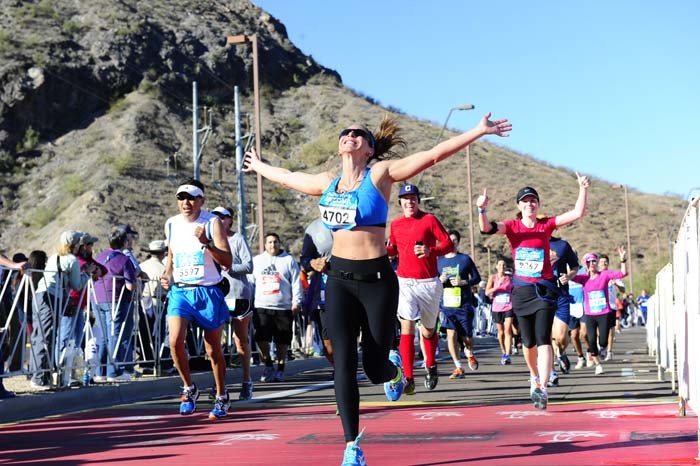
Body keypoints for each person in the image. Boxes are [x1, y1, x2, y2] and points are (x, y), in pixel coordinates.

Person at [244, 111, 511, 465]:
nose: (350, 136)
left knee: (374, 368)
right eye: (345, 132)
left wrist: (477, 131)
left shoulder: (380, 175)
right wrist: (259, 166)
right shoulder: (327, 182)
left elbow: (432, 155)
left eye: (359, 134)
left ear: (369, 149)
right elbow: (290, 177)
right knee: (343, 364)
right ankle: (351, 446)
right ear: (340, 145)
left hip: (378, 282)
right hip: (339, 282)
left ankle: (394, 370)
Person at [477, 174, 589, 410]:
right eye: (525, 201)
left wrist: (582, 188)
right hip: (521, 291)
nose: (530, 204)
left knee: (543, 338)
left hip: (544, 289)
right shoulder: (512, 226)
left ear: (538, 204)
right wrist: (482, 210)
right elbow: (486, 228)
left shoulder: (545, 225)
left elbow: (577, 213)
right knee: (528, 343)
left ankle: (543, 387)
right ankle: (534, 376)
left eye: (533, 200)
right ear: (519, 205)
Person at [159, 179, 232, 419]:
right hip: (181, 291)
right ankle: (188, 388)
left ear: (201, 200)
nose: (186, 203)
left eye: (191, 198)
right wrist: (167, 274)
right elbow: (172, 254)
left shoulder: (212, 223)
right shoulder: (171, 224)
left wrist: (206, 244)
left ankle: (221, 395)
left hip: (207, 291)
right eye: (181, 198)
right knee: (174, 341)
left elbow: (227, 261)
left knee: (213, 349)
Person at [386, 183, 453, 393]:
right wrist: (379, 248)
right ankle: (408, 377)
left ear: (418, 201)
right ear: (400, 202)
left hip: (429, 283)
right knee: (407, 327)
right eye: (406, 199)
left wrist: (430, 250)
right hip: (405, 282)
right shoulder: (396, 225)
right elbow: (392, 249)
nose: (410, 202)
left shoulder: (429, 219)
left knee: (428, 329)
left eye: (413, 198)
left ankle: (431, 365)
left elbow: (448, 244)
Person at [30, 231, 93, 389]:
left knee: (39, 335)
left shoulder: (54, 257)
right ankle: (39, 379)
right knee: (47, 337)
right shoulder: (72, 260)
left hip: (39, 295)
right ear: (76, 245)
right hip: (52, 298)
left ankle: (39, 375)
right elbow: (77, 285)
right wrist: (88, 274)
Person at [212, 206, 255, 400]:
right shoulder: (209, 241)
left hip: (238, 294)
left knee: (241, 340)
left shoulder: (238, 239)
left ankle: (246, 381)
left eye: (222, 217)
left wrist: (228, 267)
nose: (219, 220)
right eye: (215, 217)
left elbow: (249, 266)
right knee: (215, 341)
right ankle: (218, 384)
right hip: (217, 295)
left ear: (230, 220)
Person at [251, 232, 302, 383]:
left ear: (279, 244)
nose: (273, 245)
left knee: (282, 341)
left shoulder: (288, 260)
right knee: (261, 338)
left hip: (283, 307)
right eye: (270, 242)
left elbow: (296, 282)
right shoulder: (257, 261)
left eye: (275, 242)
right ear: (265, 245)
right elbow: (250, 282)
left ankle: (280, 368)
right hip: (262, 306)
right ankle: (268, 365)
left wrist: (296, 302)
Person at [572, 247, 627, 375]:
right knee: (591, 341)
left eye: (593, 261)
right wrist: (569, 259)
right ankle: (597, 365)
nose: (591, 264)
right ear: (585, 264)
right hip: (590, 315)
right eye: (588, 262)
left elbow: (623, 273)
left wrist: (622, 260)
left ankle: (602, 348)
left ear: (597, 263)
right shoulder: (583, 278)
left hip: (604, 313)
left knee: (602, 341)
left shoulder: (604, 275)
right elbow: (570, 275)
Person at [93, 227, 138, 384]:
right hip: (115, 299)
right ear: (125, 242)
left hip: (96, 299)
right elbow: (130, 286)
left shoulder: (99, 257)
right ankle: (115, 371)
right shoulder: (124, 260)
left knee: (104, 336)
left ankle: (100, 372)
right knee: (115, 335)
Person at [436, 229, 481, 380]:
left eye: (454, 240)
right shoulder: (439, 261)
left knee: (467, 338)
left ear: (458, 242)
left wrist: (464, 282)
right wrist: (439, 280)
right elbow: (433, 280)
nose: (452, 242)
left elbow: (477, 278)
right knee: (451, 335)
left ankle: (469, 352)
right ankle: (458, 366)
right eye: (449, 240)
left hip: (464, 304)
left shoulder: (465, 259)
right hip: (446, 305)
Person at [299, 218, 334, 365]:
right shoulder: (314, 228)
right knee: (328, 341)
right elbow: (304, 260)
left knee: (347, 334)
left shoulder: (355, 220)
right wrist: (313, 263)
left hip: (353, 286)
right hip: (325, 291)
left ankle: (346, 370)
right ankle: (339, 368)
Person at [548, 236, 580, 384]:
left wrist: (569, 276)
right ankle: (551, 373)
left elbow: (575, 267)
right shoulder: (531, 243)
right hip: (541, 295)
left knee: (561, 338)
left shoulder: (562, 245)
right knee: (545, 337)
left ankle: (561, 353)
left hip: (561, 295)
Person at [138, 239, 168, 375]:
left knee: (145, 333)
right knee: (157, 335)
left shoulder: (141, 266)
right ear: (163, 253)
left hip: (143, 302)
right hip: (158, 303)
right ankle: (157, 362)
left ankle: (146, 362)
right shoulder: (164, 269)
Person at [486, 259, 514, 365]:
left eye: (504, 265)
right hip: (497, 307)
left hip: (508, 306)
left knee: (508, 330)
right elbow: (487, 292)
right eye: (500, 265)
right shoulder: (493, 277)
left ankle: (507, 354)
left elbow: (514, 289)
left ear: (506, 267)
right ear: (496, 267)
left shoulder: (509, 278)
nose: (502, 266)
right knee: (501, 332)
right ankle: (503, 351)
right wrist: (496, 288)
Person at [598, 254, 625, 360]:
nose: (603, 264)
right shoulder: (595, 275)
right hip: (598, 306)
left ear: (608, 264)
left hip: (611, 306)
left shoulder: (613, 275)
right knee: (598, 330)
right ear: (598, 263)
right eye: (601, 262)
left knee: (610, 329)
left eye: (605, 262)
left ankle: (609, 351)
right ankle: (601, 346)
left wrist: (616, 284)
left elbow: (623, 290)